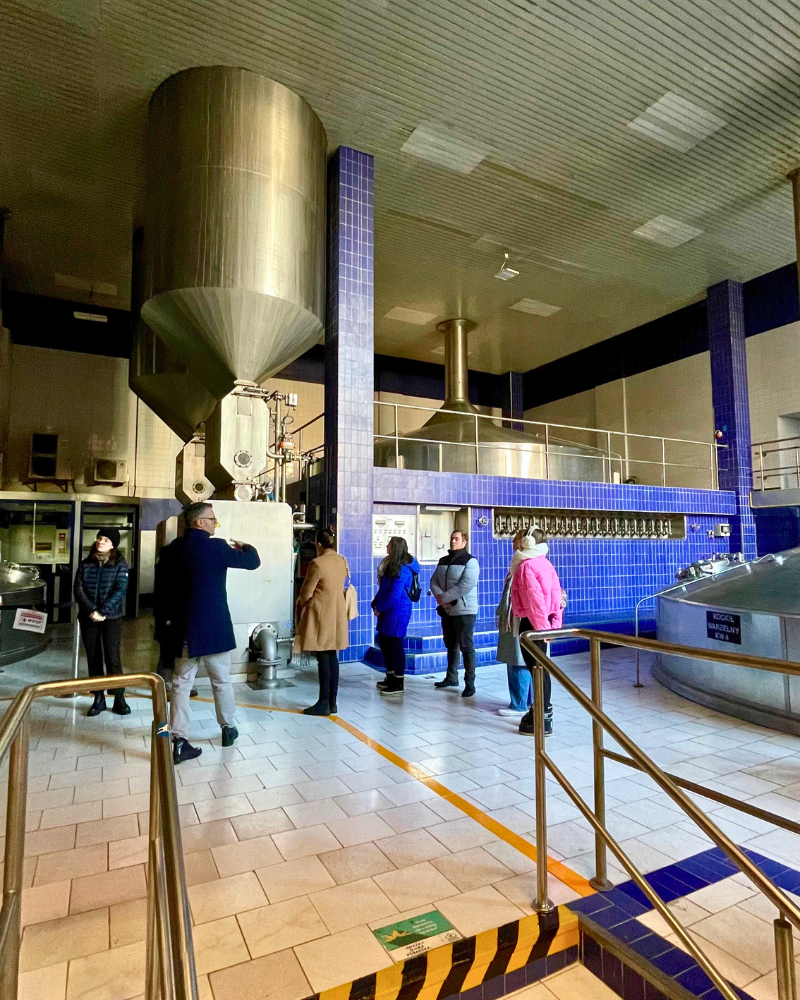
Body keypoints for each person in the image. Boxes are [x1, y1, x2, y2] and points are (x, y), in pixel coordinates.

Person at [160, 502, 260, 763]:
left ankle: (179, 739)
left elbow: (163, 590)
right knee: (221, 681)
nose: (215, 523)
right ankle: (227, 728)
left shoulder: (173, 549)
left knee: (181, 684)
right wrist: (246, 547)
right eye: (212, 519)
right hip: (214, 629)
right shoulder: (216, 547)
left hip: (184, 631)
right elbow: (253, 562)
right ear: (199, 522)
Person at [511, 528, 563, 737]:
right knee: (541, 669)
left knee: (537, 669)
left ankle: (541, 718)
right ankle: (544, 714)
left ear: (528, 542)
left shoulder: (526, 565)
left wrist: (541, 631)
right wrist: (553, 627)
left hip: (531, 624)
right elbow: (557, 598)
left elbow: (535, 602)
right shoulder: (545, 563)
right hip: (542, 623)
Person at [73, 528, 130, 718]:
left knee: (113, 658)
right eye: (99, 538)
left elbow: (120, 590)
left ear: (113, 545)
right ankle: (98, 698)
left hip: (111, 618)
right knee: (94, 658)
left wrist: (102, 611)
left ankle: (119, 698)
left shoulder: (120, 564)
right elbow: (78, 590)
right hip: (89, 617)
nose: (101, 541)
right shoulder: (85, 564)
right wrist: (92, 610)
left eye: (106, 539)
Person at [295, 527, 349, 716]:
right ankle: (332, 702)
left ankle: (323, 703)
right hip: (337, 613)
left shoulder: (317, 563)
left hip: (321, 614)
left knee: (322, 657)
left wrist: (302, 605)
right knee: (332, 656)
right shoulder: (341, 561)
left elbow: (306, 592)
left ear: (318, 544)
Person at [431, 529, 480, 698]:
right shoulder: (443, 560)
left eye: (456, 539)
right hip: (447, 610)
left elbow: (466, 584)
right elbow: (434, 581)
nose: (453, 541)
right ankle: (451, 677)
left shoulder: (470, 561)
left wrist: (444, 597)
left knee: (466, 646)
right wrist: (442, 599)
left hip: (464, 610)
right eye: (452, 538)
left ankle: (470, 683)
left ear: (464, 542)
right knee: (451, 644)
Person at [372, 536, 420, 697]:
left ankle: (398, 682)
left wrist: (380, 608)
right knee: (384, 642)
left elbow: (395, 595)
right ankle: (390, 676)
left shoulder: (403, 569)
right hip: (388, 611)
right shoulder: (391, 564)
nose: (387, 546)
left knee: (395, 645)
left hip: (398, 612)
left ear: (395, 548)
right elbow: (384, 588)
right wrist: (376, 603)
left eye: (389, 544)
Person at [495, 529, 533, 718]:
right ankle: (529, 702)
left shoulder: (523, 565)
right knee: (524, 661)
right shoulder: (525, 563)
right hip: (519, 619)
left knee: (518, 661)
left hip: (517, 620)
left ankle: (519, 705)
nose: (512, 543)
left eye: (516, 540)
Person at [153, 544, 198, 699]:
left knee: (168, 653)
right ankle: (166, 686)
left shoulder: (162, 568)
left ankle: (167, 685)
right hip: (171, 617)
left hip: (167, 617)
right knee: (170, 654)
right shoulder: (178, 570)